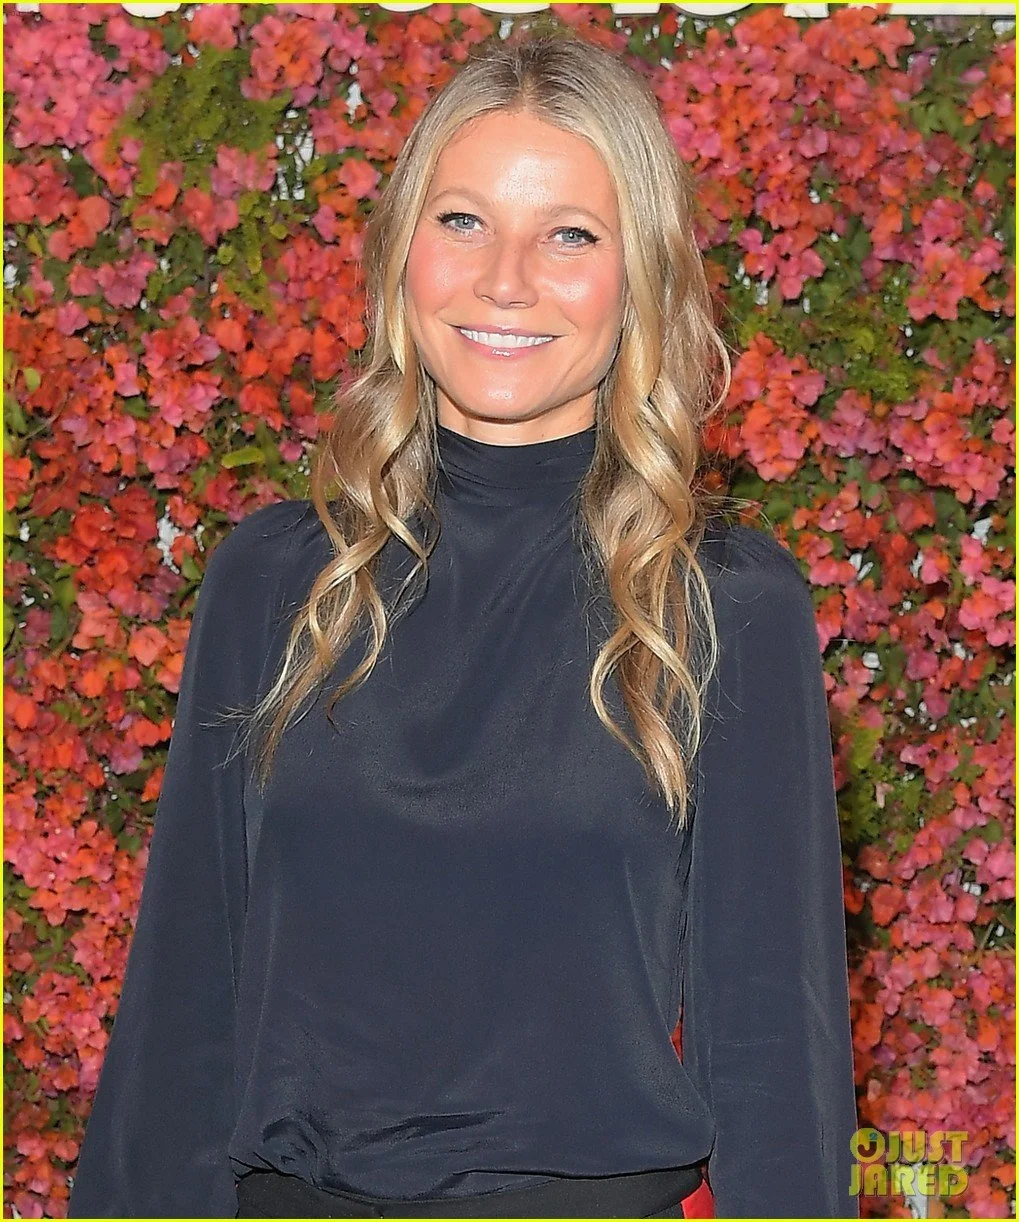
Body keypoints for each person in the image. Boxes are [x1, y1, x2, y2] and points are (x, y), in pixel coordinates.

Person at [66, 27, 859, 1221]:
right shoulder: (272, 581)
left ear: (638, 275)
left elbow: (773, 1057)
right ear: (399, 257)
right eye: (463, 221)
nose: (505, 280)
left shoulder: (726, 601)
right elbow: (184, 996)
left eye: (570, 237)